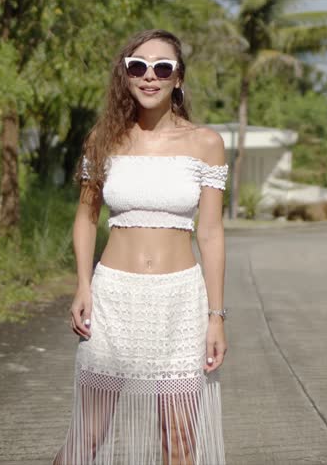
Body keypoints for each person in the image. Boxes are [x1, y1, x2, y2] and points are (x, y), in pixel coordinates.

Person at [52, 28, 228, 465]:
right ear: (126, 76)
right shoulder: (104, 138)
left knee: (180, 440)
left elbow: (210, 234)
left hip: (180, 303)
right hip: (113, 299)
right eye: (138, 67)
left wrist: (216, 317)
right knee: (85, 440)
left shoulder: (206, 143)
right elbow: (86, 217)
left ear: (178, 78)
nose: (150, 77)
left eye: (162, 68)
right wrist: (82, 286)